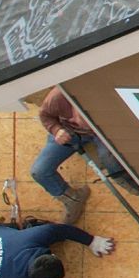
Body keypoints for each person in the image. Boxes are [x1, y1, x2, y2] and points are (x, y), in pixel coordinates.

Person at [31, 87, 95, 222]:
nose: (76, 120)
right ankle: (73, 199)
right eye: (74, 117)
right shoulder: (58, 96)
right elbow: (45, 115)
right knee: (40, 171)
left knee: (112, 163)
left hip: (99, 134)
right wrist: (57, 130)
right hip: (69, 133)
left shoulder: (97, 93)